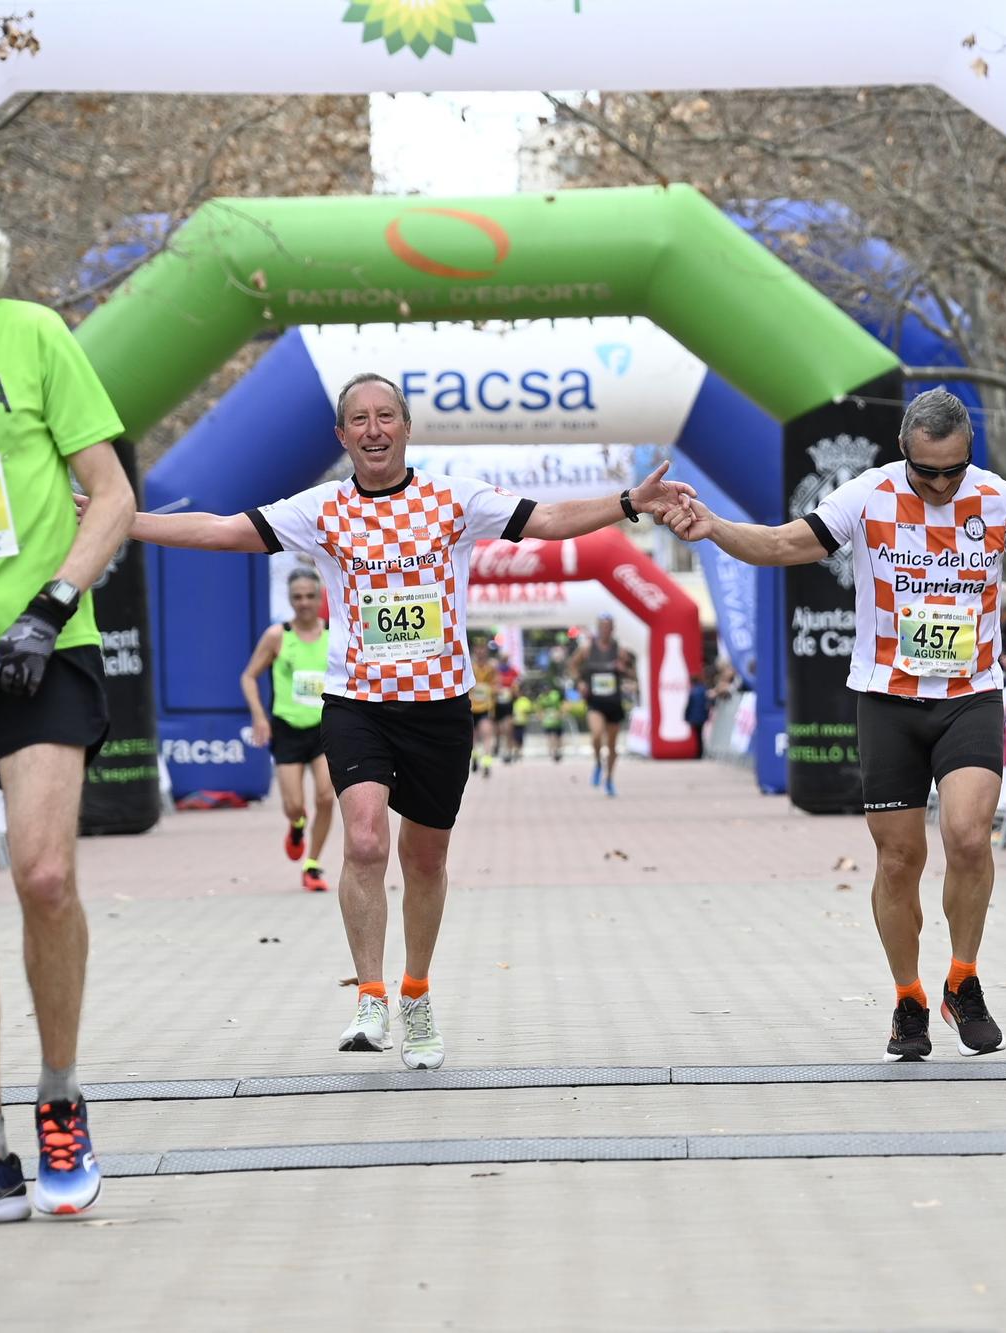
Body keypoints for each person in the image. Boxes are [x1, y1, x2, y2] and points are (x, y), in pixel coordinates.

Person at [114, 371, 690, 1071]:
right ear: (341, 436)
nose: (374, 429)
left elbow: (546, 521)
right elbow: (223, 528)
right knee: (362, 841)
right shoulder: (322, 508)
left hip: (440, 707)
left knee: (425, 858)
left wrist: (630, 501)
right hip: (358, 703)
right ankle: (371, 993)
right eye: (359, 419)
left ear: (407, 426)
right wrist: (125, 518)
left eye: (386, 416)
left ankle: (416, 991)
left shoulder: (454, 499)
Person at [658, 387, 1006, 1061]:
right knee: (899, 858)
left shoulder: (997, 500)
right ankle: (908, 996)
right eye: (927, 472)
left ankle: (963, 981)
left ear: (968, 452)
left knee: (969, 836)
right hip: (886, 698)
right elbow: (780, 543)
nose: (942, 485)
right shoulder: (867, 495)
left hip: (969, 692)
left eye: (953, 470)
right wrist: (713, 527)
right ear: (903, 456)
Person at [0, 178, 134, 1227]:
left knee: (44, 871)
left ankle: (60, 1101)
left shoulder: (35, 334)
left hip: (40, 642)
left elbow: (114, 493)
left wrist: (53, 604)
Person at [240, 566, 336, 892]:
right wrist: (259, 717)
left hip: (325, 728)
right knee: (294, 805)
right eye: (298, 597)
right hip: (288, 728)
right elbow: (248, 676)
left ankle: (313, 865)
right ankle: (297, 825)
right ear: (290, 599)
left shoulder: (334, 633)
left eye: (310, 596)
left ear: (320, 596)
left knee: (326, 796)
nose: (304, 603)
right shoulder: (277, 636)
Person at [576, 614, 627, 795]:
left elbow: (631, 672)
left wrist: (624, 670)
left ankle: (610, 780)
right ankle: (598, 762)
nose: (605, 630)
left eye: (608, 627)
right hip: (595, 701)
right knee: (597, 735)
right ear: (598, 628)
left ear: (612, 629)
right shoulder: (587, 649)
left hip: (613, 701)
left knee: (612, 746)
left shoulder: (619, 650)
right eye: (602, 627)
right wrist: (580, 683)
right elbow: (573, 667)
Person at [468, 640, 499, 778]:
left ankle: (487, 763)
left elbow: (498, 686)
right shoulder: (469, 666)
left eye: (483, 649)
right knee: (472, 737)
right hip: (471, 707)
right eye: (478, 649)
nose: (480, 652)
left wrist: (489, 689)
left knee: (487, 734)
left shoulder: (492, 668)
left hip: (486, 708)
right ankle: (475, 757)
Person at [537, 676, 567, 762]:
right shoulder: (541, 697)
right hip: (548, 721)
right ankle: (552, 752)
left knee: (558, 737)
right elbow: (539, 709)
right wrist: (541, 717)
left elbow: (563, 703)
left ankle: (559, 751)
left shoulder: (556, 694)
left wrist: (561, 713)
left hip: (557, 720)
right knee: (550, 736)